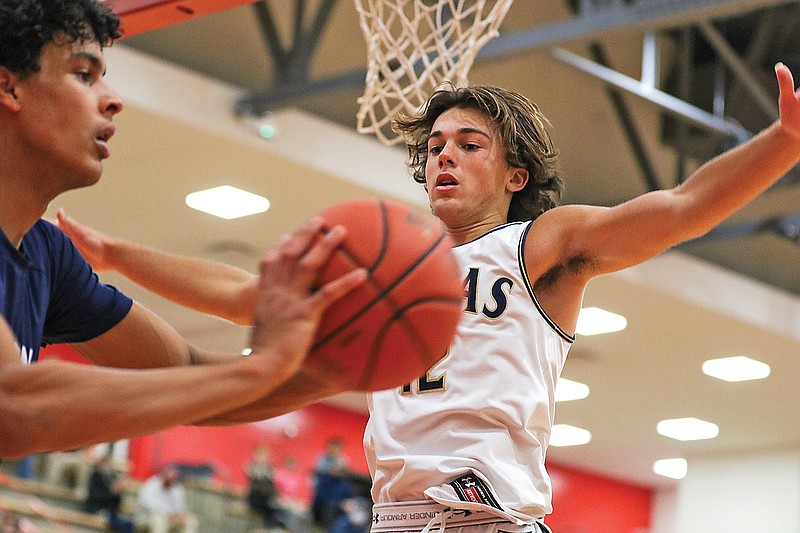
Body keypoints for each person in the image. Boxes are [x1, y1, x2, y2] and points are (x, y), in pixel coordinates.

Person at [57, 60, 800, 531]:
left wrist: (781, 144)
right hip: (394, 516)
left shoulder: (538, 242)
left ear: (515, 176)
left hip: (488, 520)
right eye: (437, 144)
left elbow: (676, 209)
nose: (445, 153)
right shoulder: (396, 268)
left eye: (470, 144)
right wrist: (116, 254)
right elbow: (251, 295)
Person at [0, 0, 365, 459]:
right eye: (83, 74)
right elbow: (12, 403)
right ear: (9, 86)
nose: (113, 99)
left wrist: (341, 369)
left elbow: (185, 374)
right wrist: (263, 366)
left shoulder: (46, 255)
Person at [135, 466, 197, 533]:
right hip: (149, 517)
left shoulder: (177, 488)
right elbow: (145, 503)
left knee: (191, 521)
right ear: (163, 475)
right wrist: (166, 515)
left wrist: (180, 516)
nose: (170, 480)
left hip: (171, 518)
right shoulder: (153, 484)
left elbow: (180, 508)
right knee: (159, 520)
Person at [84, 453, 135, 533]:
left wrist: (117, 492)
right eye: (106, 464)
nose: (108, 467)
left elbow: (116, 504)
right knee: (123, 524)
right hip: (96, 510)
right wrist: (112, 492)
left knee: (129, 523)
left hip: (109, 512)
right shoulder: (96, 476)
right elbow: (96, 498)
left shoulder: (111, 478)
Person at [311, 438, 354, 530]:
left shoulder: (344, 461)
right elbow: (319, 481)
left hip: (340, 497)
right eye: (333, 447)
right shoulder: (321, 461)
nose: (335, 450)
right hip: (324, 497)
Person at [244, 443, 285, 529]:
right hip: (255, 499)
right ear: (254, 455)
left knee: (277, 510)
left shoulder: (270, 468)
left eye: (265, 456)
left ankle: (273, 528)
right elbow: (256, 476)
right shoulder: (251, 466)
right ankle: (271, 528)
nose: (262, 458)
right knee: (271, 510)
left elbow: (272, 485)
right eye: (260, 455)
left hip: (266, 499)